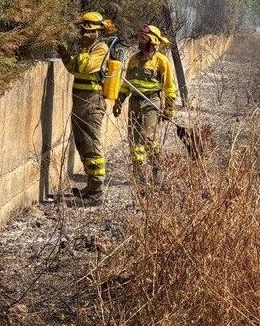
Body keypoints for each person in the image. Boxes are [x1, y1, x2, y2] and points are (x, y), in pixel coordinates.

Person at [113, 25, 179, 182]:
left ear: (153, 41)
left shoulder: (161, 61)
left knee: (149, 138)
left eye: (144, 38)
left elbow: (170, 87)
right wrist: (119, 101)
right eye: (139, 37)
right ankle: (138, 175)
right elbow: (126, 84)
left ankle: (157, 171)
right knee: (134, 140)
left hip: (152, 102)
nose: (140, 41)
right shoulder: (133, 60)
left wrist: (169, 108)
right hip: (135, 102)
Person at [59, 11, 111, 203]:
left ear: (96, 32)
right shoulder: (87, 49)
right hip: (80, 101)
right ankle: (90, 187)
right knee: (82, 143)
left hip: (92, 101)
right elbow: (73, 67)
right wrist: (63, 51)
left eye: (86, 30)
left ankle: (97, 191)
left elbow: (83, 67)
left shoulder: (100, 48)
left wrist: (80, 49)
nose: (82, 34)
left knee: (92, 144)